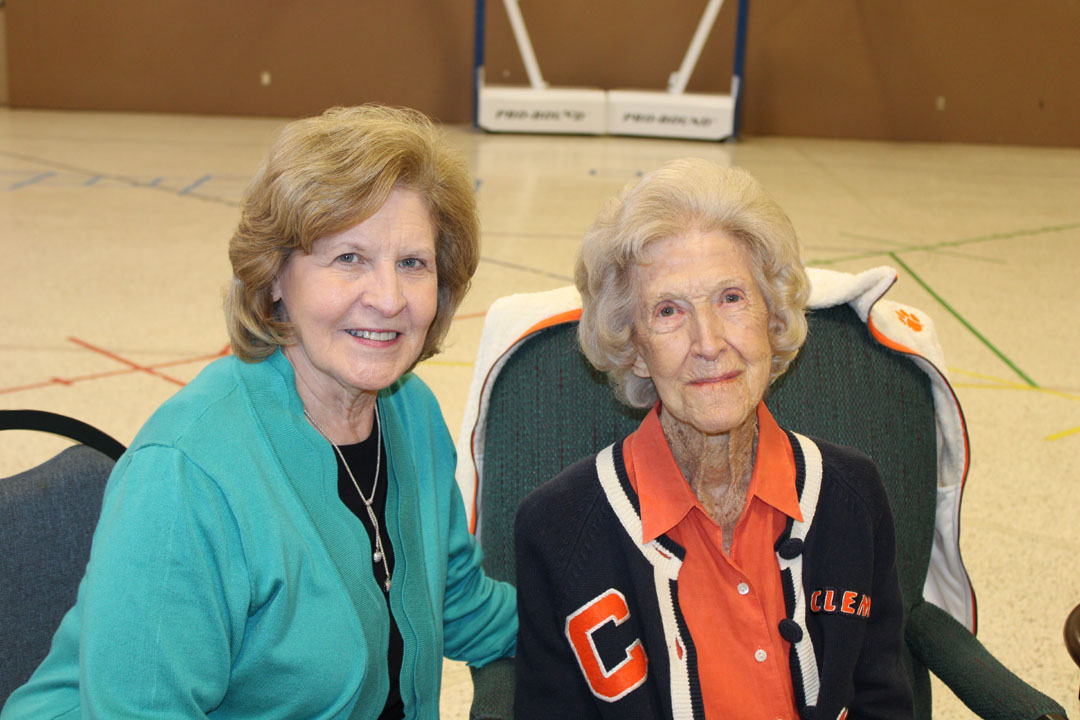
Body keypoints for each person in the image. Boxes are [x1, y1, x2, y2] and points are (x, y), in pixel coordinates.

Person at [1, 105, 517, 720]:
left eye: (413, 263)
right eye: (348, 258)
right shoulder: (188, 473)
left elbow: (458, 606)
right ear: (274, 277)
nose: (388, 298)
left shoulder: (412, 417)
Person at [513, 158, 913, 719]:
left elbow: (885, 703)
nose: (708, 342)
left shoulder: (850, 495)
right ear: (634, 346)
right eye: (670, 310)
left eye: (731, 298)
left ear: (772, 319)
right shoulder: (559, 532)